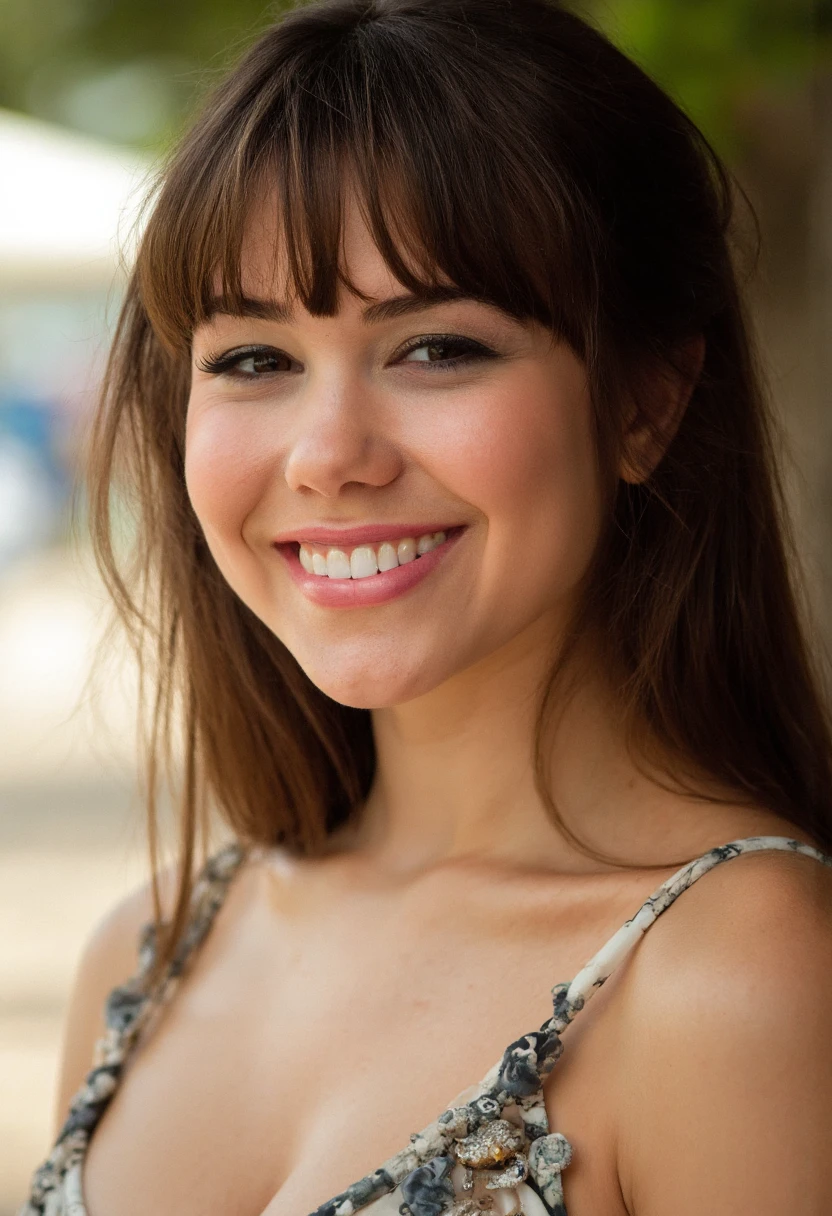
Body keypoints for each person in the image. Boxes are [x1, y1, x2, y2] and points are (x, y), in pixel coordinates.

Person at [19, 1, 832, 1213]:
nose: (327, 455)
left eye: (437, 347)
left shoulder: (746, 974)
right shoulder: (150, 951)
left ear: (645, 402)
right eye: (253, 359)